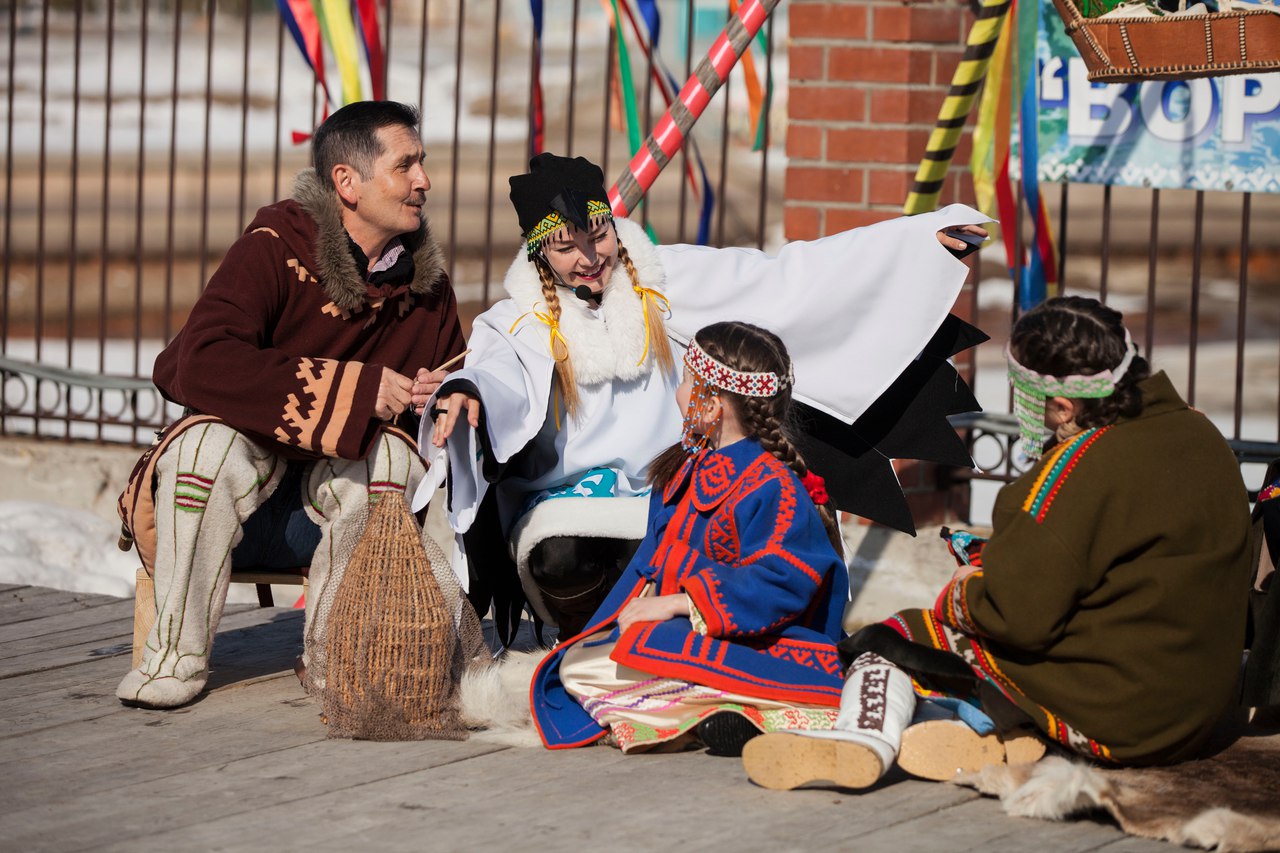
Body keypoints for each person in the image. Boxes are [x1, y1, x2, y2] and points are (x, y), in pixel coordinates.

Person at [417, 152, 990, 642]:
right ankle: (594, 642)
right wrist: (467, 390)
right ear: (541, 253)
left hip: (679, 482)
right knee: (562, 558)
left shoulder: (668, 280)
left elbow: (789, 279)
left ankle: (700, 635)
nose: (589, 257)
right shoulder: (518, 322)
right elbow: (494, 373)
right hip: (568, 505)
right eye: (565, 247)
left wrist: (915, 239)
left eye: (598, 234)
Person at [741, 296, 1254, 790]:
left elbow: (1020, 619)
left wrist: (968, 590)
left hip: (1124, 717)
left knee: (893, 639)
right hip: (1201, 705)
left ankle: (860, 743)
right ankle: (999, 739)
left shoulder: (1072, 473)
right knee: (988, 654)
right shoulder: (1200, 432)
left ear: (1061, 406)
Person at [116, 100, 466, 710]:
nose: (423, 181)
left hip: (341, 523)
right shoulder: (274, 247)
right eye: (405, 165)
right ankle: (174, 656)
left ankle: (342, 659)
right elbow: (190, 362)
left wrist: (451, 395)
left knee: (391, 457)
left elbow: (453, 384)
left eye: (423, 163)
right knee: (206, 443)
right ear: (346, 183)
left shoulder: (427, 287)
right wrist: (356, 390)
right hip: (229, 525)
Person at [530, 321, 849, 754]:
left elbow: (782, 580)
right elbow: (651, 560)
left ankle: (739, 710)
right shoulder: (689, 466)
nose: (679, 393)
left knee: (594, 671)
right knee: (578, 665)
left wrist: (680, 602)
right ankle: (708, 709)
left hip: (752, 636)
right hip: (692, 628)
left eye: (685, 381)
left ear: (712, 405)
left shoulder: (772, 486)